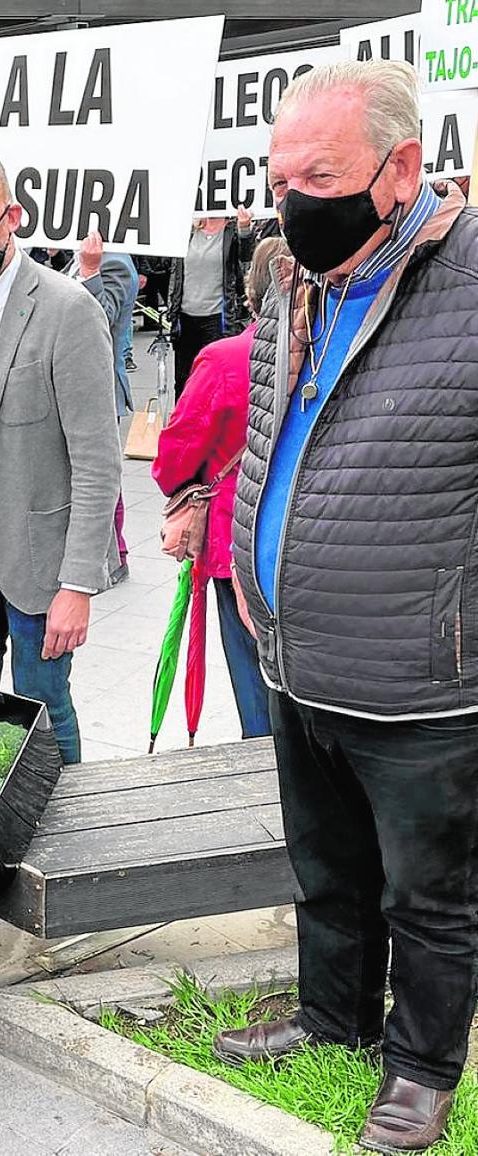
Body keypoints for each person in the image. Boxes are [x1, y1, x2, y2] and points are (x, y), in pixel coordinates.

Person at [219, 60, 478, 1154]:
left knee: (430, 894)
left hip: (420, 676)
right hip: (294, 651)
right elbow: (280, 425)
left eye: (318, 176)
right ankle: (331, 1018)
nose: (292, 202)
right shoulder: (295, 277)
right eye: (279, 178)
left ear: (403, 167)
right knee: (327, 869)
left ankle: (419, 1070)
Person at [0, 150, 123, 765]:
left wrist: (78, 584)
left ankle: (70, 835)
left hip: (41, 569)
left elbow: (97, 460)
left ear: (12, 216)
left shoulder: (65, 309)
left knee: (42, 710)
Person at [152, 237, 288, 741]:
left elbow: (173, 460)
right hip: (315, 544)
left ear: (249, 295)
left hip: (240, 543)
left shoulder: (225, 359)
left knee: (256, 690)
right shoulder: (333, 352)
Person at [65, 229, 138, 581]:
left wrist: (91, 272)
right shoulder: (69, 260)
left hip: (101, 385)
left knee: (101, 472)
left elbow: (104, 318)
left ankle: (116, 553)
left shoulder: (116, 263)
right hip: (70, 385)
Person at [165, 208, 253, 397]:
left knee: (217, 380)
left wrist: (245, 229)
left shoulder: (232, 231)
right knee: (184, 381)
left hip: (218, 318)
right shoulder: (187, 231)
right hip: (185, 318)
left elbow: (247, 257)